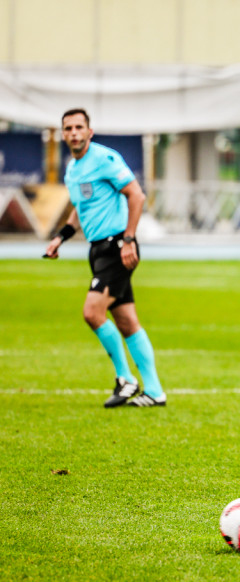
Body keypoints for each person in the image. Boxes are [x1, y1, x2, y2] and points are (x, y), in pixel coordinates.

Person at [44, 108, 166, 407]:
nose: (74, 132)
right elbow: (80, 210)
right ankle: (154, 391)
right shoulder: (72, 169)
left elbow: (136, 195)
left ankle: (126, 379)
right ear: (63, 134)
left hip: (116, 247)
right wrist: (60, 237)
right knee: (126, 321)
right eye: (68, 128)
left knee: (92, 312)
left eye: (79, 127)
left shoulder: (104, 159)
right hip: (97, 249)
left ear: (90, 131)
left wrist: (128, 239)